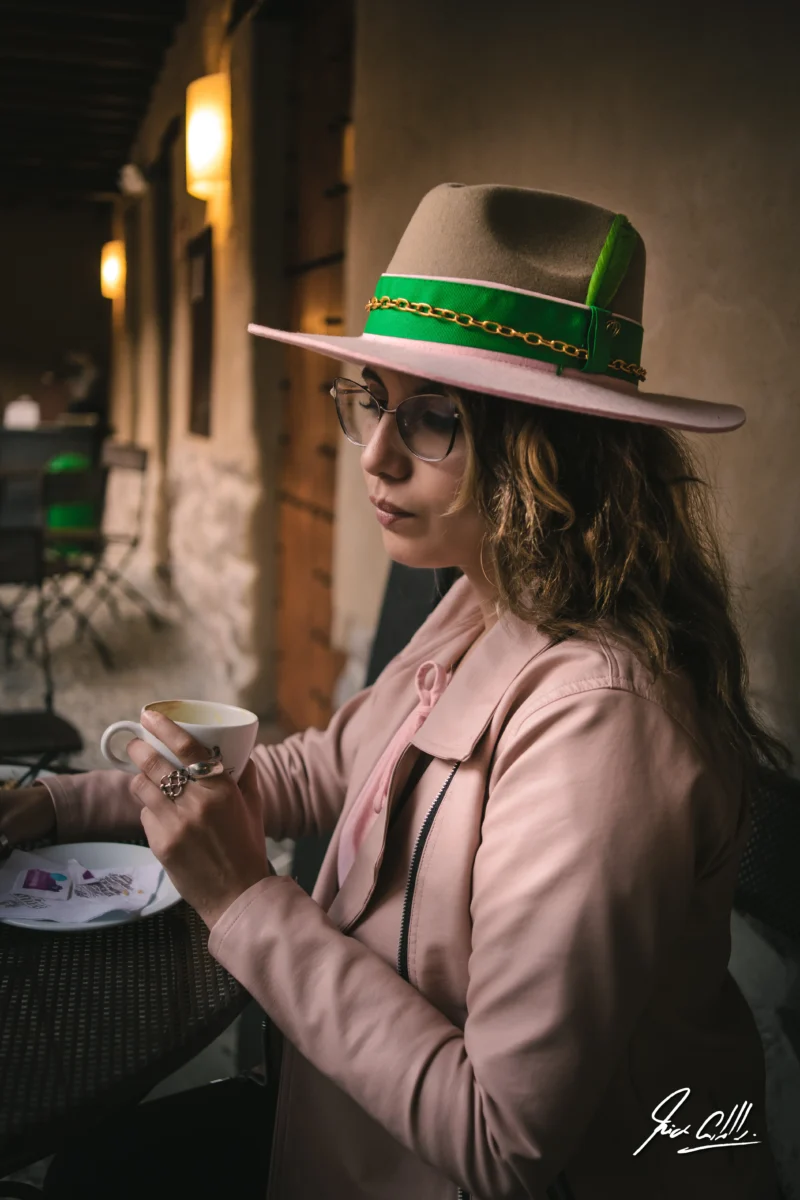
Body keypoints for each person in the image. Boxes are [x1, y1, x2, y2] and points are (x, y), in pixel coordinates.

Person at [0, 184, 788, 1200]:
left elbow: (503, 1142)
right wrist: (56, 805)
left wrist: (244, 899)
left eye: (431, 420)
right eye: (372, 400)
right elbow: (320, 768)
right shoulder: (490, 597)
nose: (371, 455)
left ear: (550, 449)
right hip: (334, 1125)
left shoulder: (601, 724)